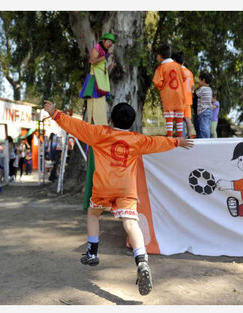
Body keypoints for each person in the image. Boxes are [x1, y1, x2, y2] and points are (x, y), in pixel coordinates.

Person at [43, 100, 194, 296]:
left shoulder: (99, 133)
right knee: (131, 223)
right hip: (126, 188)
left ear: (111, 119)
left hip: (103, 187)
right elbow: (157, 142)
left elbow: (75, 125)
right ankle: (141, 260)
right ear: (131, 123)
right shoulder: (136, 139)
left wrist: (55, 113)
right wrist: (177, 142)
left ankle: (92, 253)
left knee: (93, 214)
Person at [79, 32, 117, 126]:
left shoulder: (104, 52)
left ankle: (100, 126)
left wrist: (109, 68)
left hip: (101, 82)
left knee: (100, 106)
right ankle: (92, 126)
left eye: (111, 43)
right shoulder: (96, 48)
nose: (110, 44)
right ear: (103, 41)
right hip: (94, 81)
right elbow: (93, 62)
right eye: (108, 41)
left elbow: (101, 70)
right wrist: (106, 56)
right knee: (93, 104)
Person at [152, 44, 187, 137]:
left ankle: (170, 136)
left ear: (159, 56)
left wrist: (162, 87)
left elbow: (156, 82)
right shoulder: (178, 66)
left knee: (169, 117)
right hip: (179, 95)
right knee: (179, 117)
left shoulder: (161, 68)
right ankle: (180, 137)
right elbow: (184, 77)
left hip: (168, 95)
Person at [171, 51, 195, 139]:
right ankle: (189, 136)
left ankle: (180, 137)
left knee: (178, 119)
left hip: (179, 98)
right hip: (188, 98)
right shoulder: (189, 72)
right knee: (187, 119)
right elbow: (192, 87)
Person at [195, 72, 213, 138]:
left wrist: (192, 89)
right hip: (208, 111)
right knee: (206, 127)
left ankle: (206, 141)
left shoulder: (202, 89)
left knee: (203, 128)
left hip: (204, 111)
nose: (198, 82)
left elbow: (195, 95)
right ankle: (207, 139)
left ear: (203, 80)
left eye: (199, 80)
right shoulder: (210, 89)